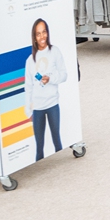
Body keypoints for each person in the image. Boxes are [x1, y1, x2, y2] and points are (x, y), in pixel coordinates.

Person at [24, 18, 68, 162]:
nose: (42, 36)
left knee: (57, 140)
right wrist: (28, 110)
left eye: (44, 32)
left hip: (52, 104)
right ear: (34, 38)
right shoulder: (30, 60)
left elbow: (63, 75)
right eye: (38, 34)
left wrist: (50, 78)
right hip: (37, 108)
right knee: (39, 146)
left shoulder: (54, 51)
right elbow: (28, 87)